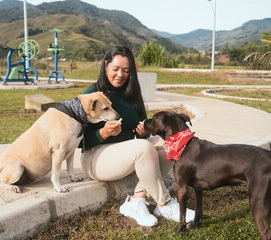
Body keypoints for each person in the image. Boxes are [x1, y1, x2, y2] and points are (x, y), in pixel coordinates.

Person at [80, 45, 194, 227]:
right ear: (105, 65)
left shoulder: (132, 94)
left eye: (126, 70)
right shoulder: (91, 94)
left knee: (175, 141)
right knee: (144, 148)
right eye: (115, 69)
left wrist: (143, 132)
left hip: (124, 154)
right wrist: (102, 132)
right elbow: (79, 140)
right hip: (94, 158)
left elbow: (142, 131)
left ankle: (137, 199)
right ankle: (165, 203)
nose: (120, 74)